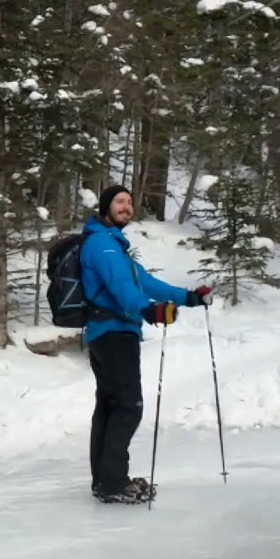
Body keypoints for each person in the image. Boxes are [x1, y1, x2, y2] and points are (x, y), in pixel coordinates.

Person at [79, 184, 212, 504]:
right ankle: (112, 482)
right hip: (113, 333)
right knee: (127, 407)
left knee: (110, 408)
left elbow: (147, 283)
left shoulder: (113, 246)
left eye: (129, 202)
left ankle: (104, 480)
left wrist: (190, 298)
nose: (126, 207)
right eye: (119, 202)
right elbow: (122, 288)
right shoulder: (103, 245)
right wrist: (149, 310)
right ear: (106, 208)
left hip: (107, 333)